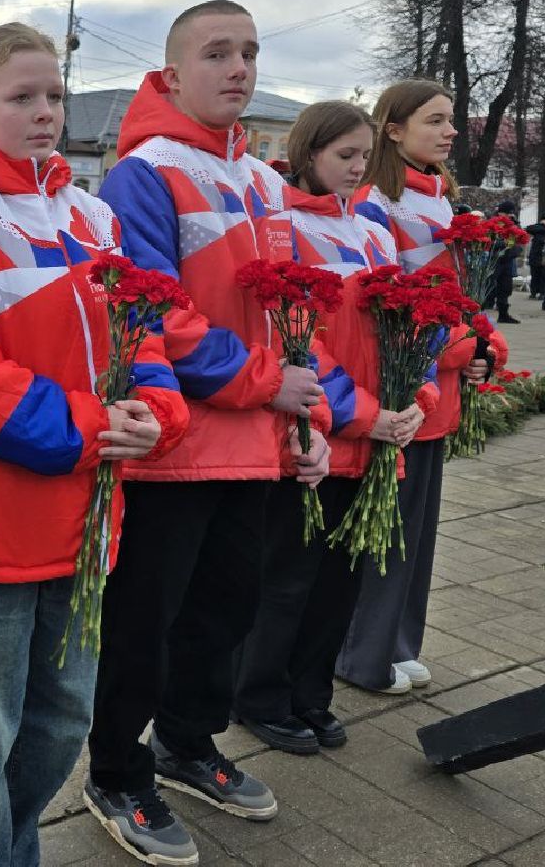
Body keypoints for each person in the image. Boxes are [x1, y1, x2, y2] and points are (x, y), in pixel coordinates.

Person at [0, 22, 189, 866]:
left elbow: (146, 329)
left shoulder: (91, 214)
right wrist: (94, 427)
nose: (46, 111)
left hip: (85, 520)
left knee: (59, 723)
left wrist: (156, 412)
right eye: (22, 97)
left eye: (55, 95)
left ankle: (9, 853)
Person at [83, 0, 333, 866]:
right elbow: (158, 314)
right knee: (145, 625)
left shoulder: (265, 182)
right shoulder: (145, 172)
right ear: (173, 70)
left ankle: (187, 743)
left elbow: (299, 311)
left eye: (251, 53)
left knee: (227, 614)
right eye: (217, 53)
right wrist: (271, 384)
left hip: (253, 451)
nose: (239, 69)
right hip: (175, 454)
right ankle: (116, 770)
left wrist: (314, 414)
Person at [234, 102, 430, 757]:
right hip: (316, 441)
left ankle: (311, 694)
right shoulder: (282, 227)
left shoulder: (373, 229)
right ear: (308, 150)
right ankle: (260, 696)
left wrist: (416, 397)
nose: (354, 168)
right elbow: (298, 345)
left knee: (340, 584)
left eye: (362, 156)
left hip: (374, 441)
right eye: (342, 155)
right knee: (289, 578)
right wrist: (367, 415)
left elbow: (410, 324)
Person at [340, 80, 506, 695]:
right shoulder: (378, 203)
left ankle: (398, 643)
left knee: (415, 533)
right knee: (385, 531)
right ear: (393, 129)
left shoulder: (442, 202)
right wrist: (463, 345)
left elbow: (457, 304)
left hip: (437, 390)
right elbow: (386, 309)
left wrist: (481, 348)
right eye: (435, 120)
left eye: (452, 120)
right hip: (401, 391)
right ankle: (363, 653)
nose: (450, 131)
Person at [488, 200, 522, 324]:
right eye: (506, 213)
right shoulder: (493, 223)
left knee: (505, 288)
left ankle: (503, 314)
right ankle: (482, 313)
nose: (508, 216)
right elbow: (489, 241)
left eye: (510, 214)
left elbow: (520, 237)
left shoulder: (513, 224)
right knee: (489, 287)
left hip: (508, 260)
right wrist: (504, 244)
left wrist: (515, 223)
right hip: (495, 259)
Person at [525, 212, 545, 298]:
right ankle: (533, 292)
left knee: (544, 275)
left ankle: (543, 292)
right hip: (535, 255)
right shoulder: (537, 227)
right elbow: (529, 229)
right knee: (535, 275)